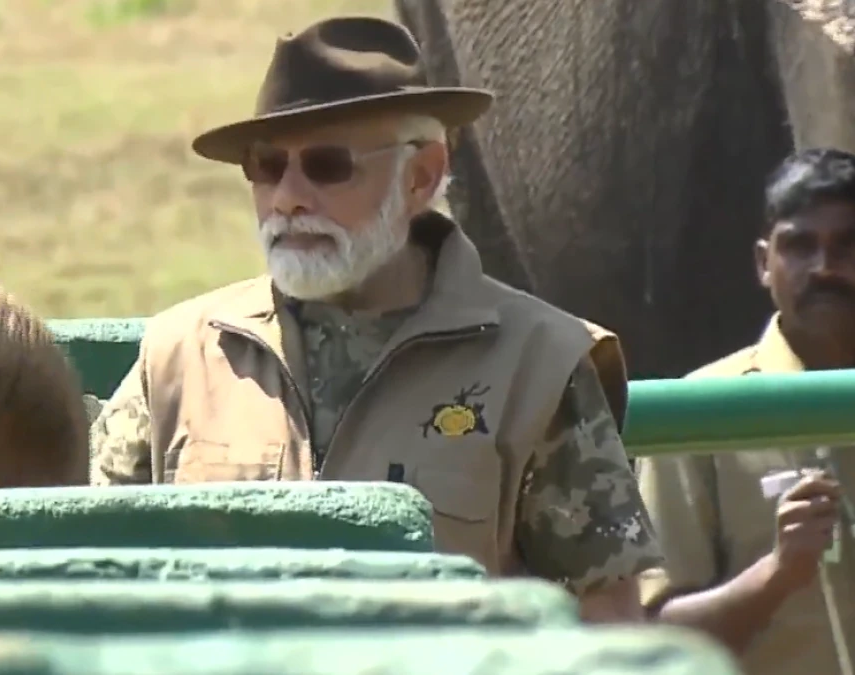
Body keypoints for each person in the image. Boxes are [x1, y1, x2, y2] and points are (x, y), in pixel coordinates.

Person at [89, 15, 662, 622]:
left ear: (421, 176)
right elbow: (82, 569)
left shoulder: (540, 364)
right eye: (266, 166)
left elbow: (606, 626)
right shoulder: (180, 354)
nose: (288, 197)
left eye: (328, 165)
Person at [637, 147, 855, 673]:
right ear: (764, 263)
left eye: (849, 245)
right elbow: (654, 639)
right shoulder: (701, 415)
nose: (824, 268)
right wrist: (778, 572)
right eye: (800, 246)